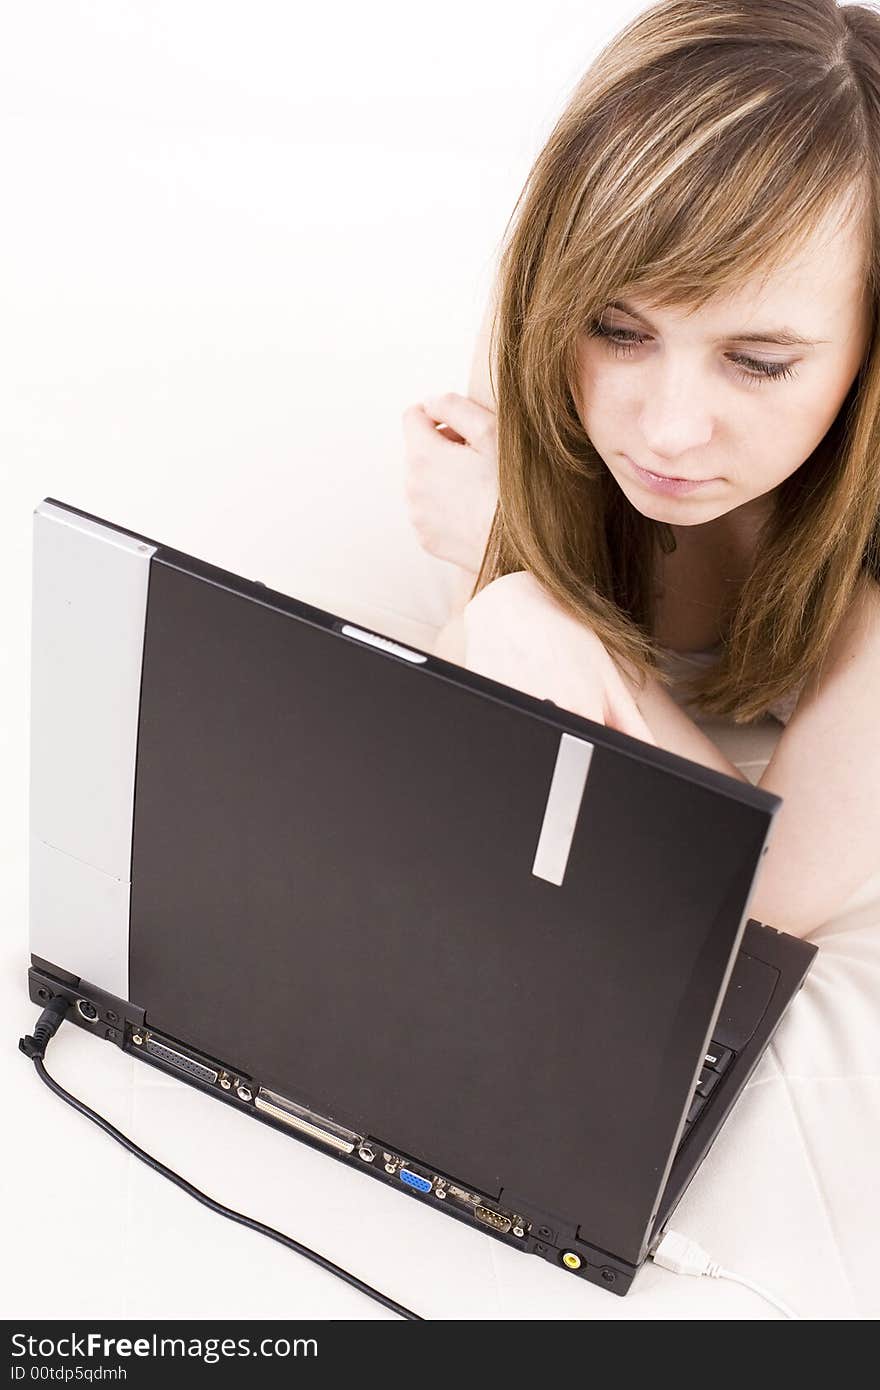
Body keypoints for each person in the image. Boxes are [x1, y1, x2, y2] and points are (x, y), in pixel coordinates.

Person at [400, 0, 880, 939]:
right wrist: (507, 592)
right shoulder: (546, 345)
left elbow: (764, 895)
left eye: (760, 362)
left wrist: (529, 580)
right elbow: (493, 704)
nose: (667, 431)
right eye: (622, 332)